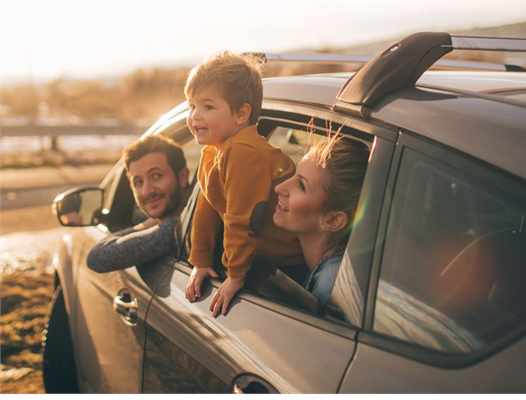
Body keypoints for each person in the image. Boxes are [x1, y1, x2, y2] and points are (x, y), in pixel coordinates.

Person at [184, 51, 303, 316]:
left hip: (292, 262)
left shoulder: (242, 152)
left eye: (208, 107)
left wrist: (235, 276)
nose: (195, 116)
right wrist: (201, 261)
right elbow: (207, 208)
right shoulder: (215, 151)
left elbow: (241, 219)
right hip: (269, 259)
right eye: (191, 106)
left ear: (241, 114)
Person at [273, 137, 369, 315]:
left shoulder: (330, 290)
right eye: (294, 174)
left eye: (301, 185)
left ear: (332, 221)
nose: (279, 188)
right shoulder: (333, 271)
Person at [86, 135, 190, 273]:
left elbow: (97, 258)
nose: (146, 191)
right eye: (138, 182)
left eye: (156, 176)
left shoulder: (180, 229)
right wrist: (153, 223)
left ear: (182, 177)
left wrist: (147, 225)